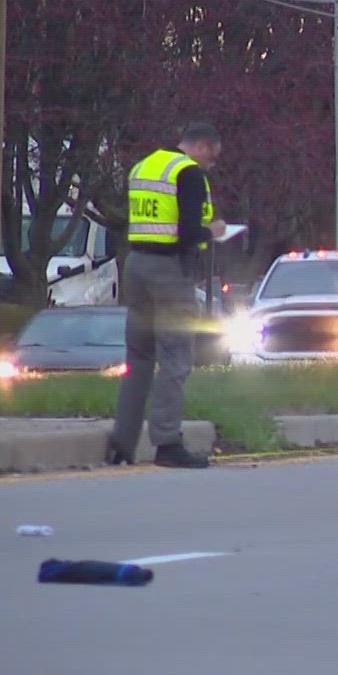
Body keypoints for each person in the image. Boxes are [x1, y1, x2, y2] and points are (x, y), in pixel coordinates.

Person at [109, 121, 227, 469]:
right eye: (213, 158)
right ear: (203, 146)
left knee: (139, 359)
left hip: (136, 266)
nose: (211, 166)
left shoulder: (144, 166)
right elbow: (189, 233)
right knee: (175, 358)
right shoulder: (188, 173)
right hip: (169, 273)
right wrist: (214, 231)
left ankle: (122, 443)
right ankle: (167, 443)